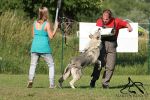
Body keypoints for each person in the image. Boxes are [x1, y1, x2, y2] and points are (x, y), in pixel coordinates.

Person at [90, 9, 133, 89]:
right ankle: (93, 80)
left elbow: (126, 23)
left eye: (107, 19)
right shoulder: (99, 21)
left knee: (111, 66)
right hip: (102, 45)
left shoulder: (116, 21)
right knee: (99, 64)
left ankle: (105, 83)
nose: (105, 20)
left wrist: (129, 27)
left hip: (112, 45)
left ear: (110, 18)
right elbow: (96, 33)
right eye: (104, 19)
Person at [27, 7, 58, 88]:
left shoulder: (34, 23)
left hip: (35, 46)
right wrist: (55, 28)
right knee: (51, 65)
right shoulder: (47, 24)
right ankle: (51, 84)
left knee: (33, 64)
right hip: (44, 47)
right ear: (45, 14)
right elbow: (51, 37)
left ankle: (30, 80)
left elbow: (33, 35)